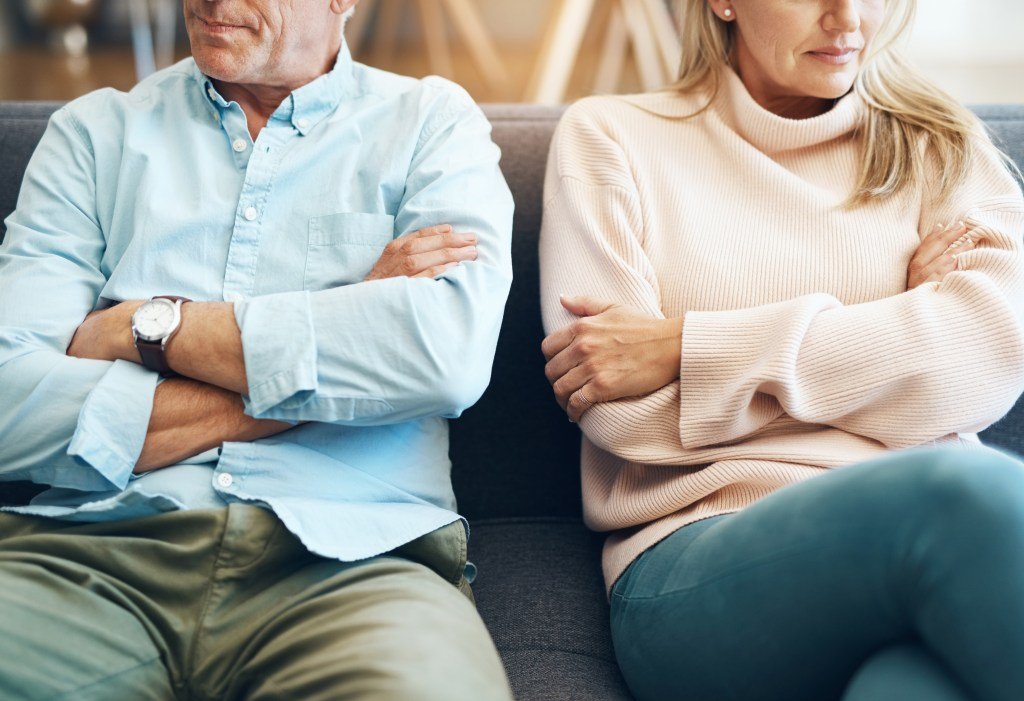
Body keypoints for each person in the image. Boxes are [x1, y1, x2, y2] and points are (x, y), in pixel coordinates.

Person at [0, 1, 515, 699]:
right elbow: (8, 400)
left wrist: (149, 329)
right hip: (86, 559)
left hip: (356, 569)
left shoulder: (430, 125)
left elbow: (444, 355)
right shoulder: (93, 135)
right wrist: (340, 339)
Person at [540, 0, 1024, 699]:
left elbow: (989, 354)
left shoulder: (942, 143)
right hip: (704, 557)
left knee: (910, 686)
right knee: (965, 492)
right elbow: (619, 409)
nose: (849, 17)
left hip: (925, 562)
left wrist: (688, 346)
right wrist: (898, 337)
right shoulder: (613, 138)